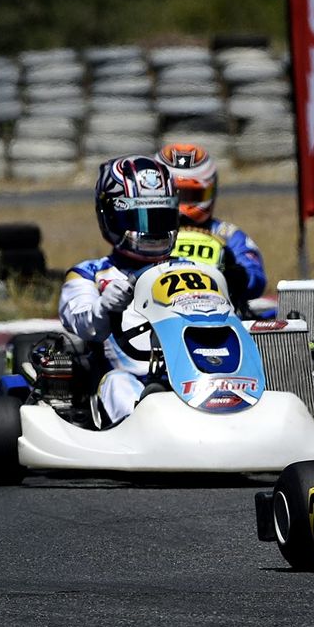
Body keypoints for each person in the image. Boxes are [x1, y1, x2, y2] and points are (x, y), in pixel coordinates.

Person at [59, 155, 181, 428]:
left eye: (159, 217)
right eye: (138, 218)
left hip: (189, 378)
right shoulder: (88, 274)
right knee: (117, 384)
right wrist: (103, 307)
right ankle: (142, 425)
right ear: (111, 217)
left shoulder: (190, 269)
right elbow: (83, 324)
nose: (151, 231)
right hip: (126, 380)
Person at [156, 143, 267, 311]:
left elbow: (256, 279)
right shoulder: (147, 235)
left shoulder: (227, 234)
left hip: (218, 315)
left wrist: (234, 275)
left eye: (192, 195)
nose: (183, 204)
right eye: (175, 194)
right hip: (157, 313)